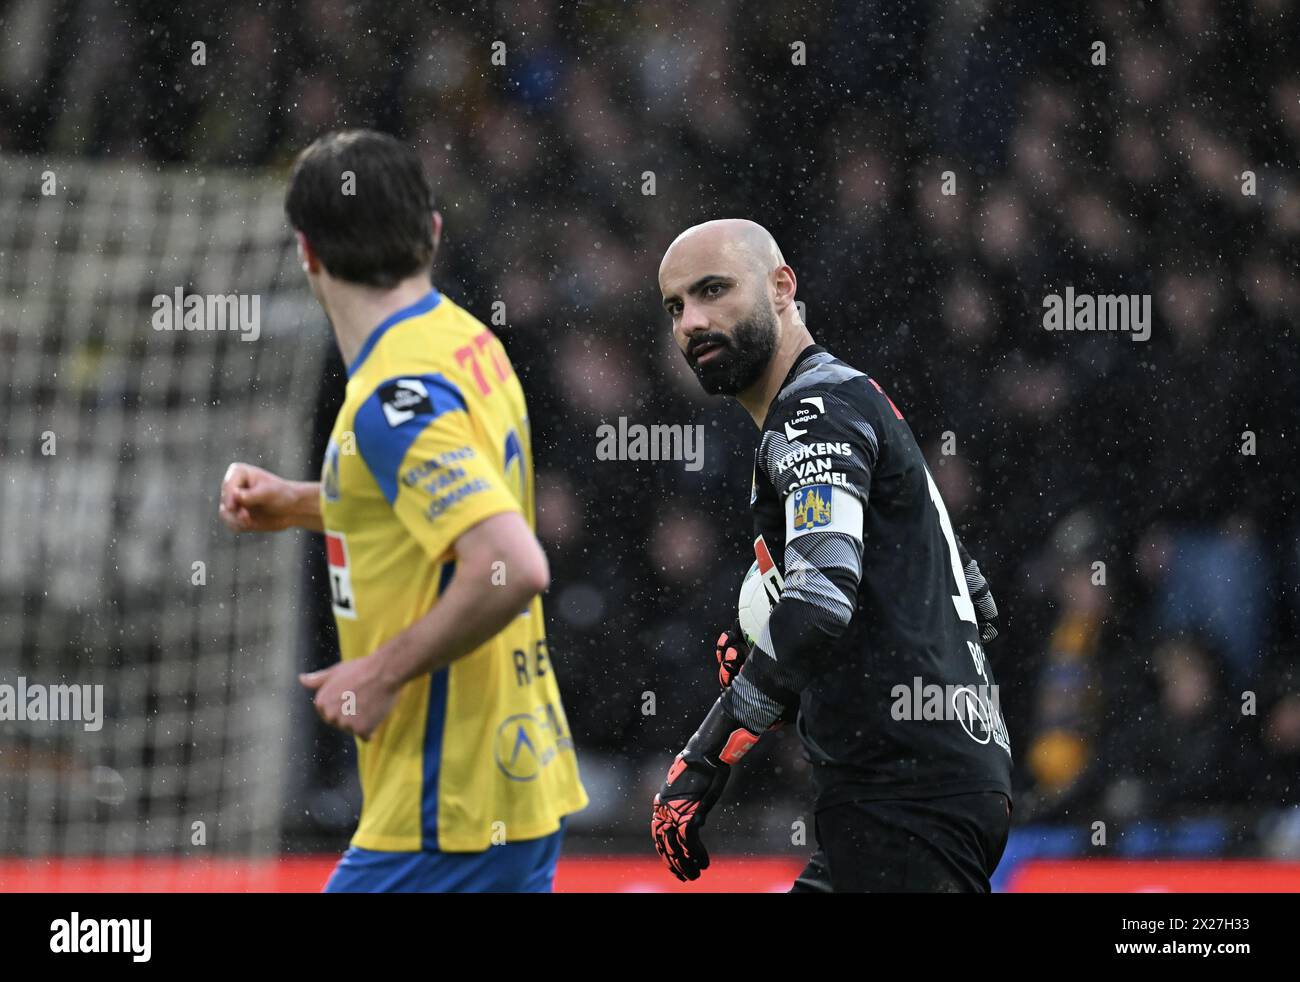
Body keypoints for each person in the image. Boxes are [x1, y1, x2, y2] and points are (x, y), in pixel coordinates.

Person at [219, 130, 586, 892]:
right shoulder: (465, 342)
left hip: (444, 800)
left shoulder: (391, 396)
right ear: (434, 233)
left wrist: (380, 674)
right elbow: (442, 516)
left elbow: (511, 565)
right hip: (509, 777)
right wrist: (302, 504)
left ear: (307, 254)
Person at [651, 219, 1011, 892]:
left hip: (903, 798)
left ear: (782, 287)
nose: (692, 321)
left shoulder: (814, 412)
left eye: (713, 290)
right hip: (929, 786)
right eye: (676, 306)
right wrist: (799, 682)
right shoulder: (854, 401)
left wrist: (706, 755)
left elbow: (817, 607)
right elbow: (975, 601)